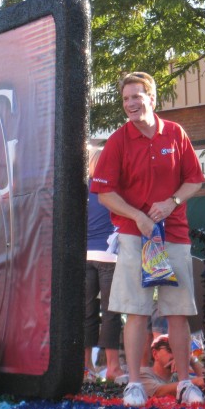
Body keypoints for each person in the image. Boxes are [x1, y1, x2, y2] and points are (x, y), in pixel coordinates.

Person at [90, 72, 205, 407]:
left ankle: (185, 382)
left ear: (152, 99)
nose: (130, 104)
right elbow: (104, 193)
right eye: (126, 99)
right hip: (133, 236)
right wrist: (137, 216)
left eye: (136, 97)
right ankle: (135, 384)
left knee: (178, 311)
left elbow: (194, 180)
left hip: (175, 234)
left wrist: (172, 202)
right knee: (135, 311)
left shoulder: (176, 133)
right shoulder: (117, 140)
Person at [84, 148, 123, 383]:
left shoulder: (82, 189)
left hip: (84, 255)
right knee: (111, 313)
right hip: (110, 256)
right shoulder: (114, 188)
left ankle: (85, 366)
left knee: (87, 313)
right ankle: (112, 367)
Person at [140, 335, 205, 398]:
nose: (176, 355)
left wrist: (192, 360)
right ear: (155, 354)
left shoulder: (178, 377)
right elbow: (158, 392)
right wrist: (193, 382)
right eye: (170, 349)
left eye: (179, 351)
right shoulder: (143, 373)